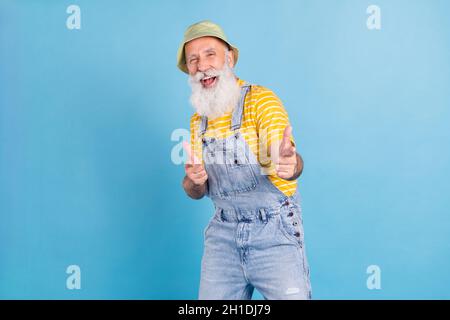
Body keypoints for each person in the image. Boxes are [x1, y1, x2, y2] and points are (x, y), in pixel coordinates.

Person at [178, 20, 311, 300]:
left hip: (275, 234)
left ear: (230, 58)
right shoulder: (197, 122)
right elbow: (196, 192)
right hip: (222, 238)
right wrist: (194, 181)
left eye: (210, 54)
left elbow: (287, 162)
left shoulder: (260, 102)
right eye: (193, 60)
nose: (202, 66)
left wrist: (289, 164)